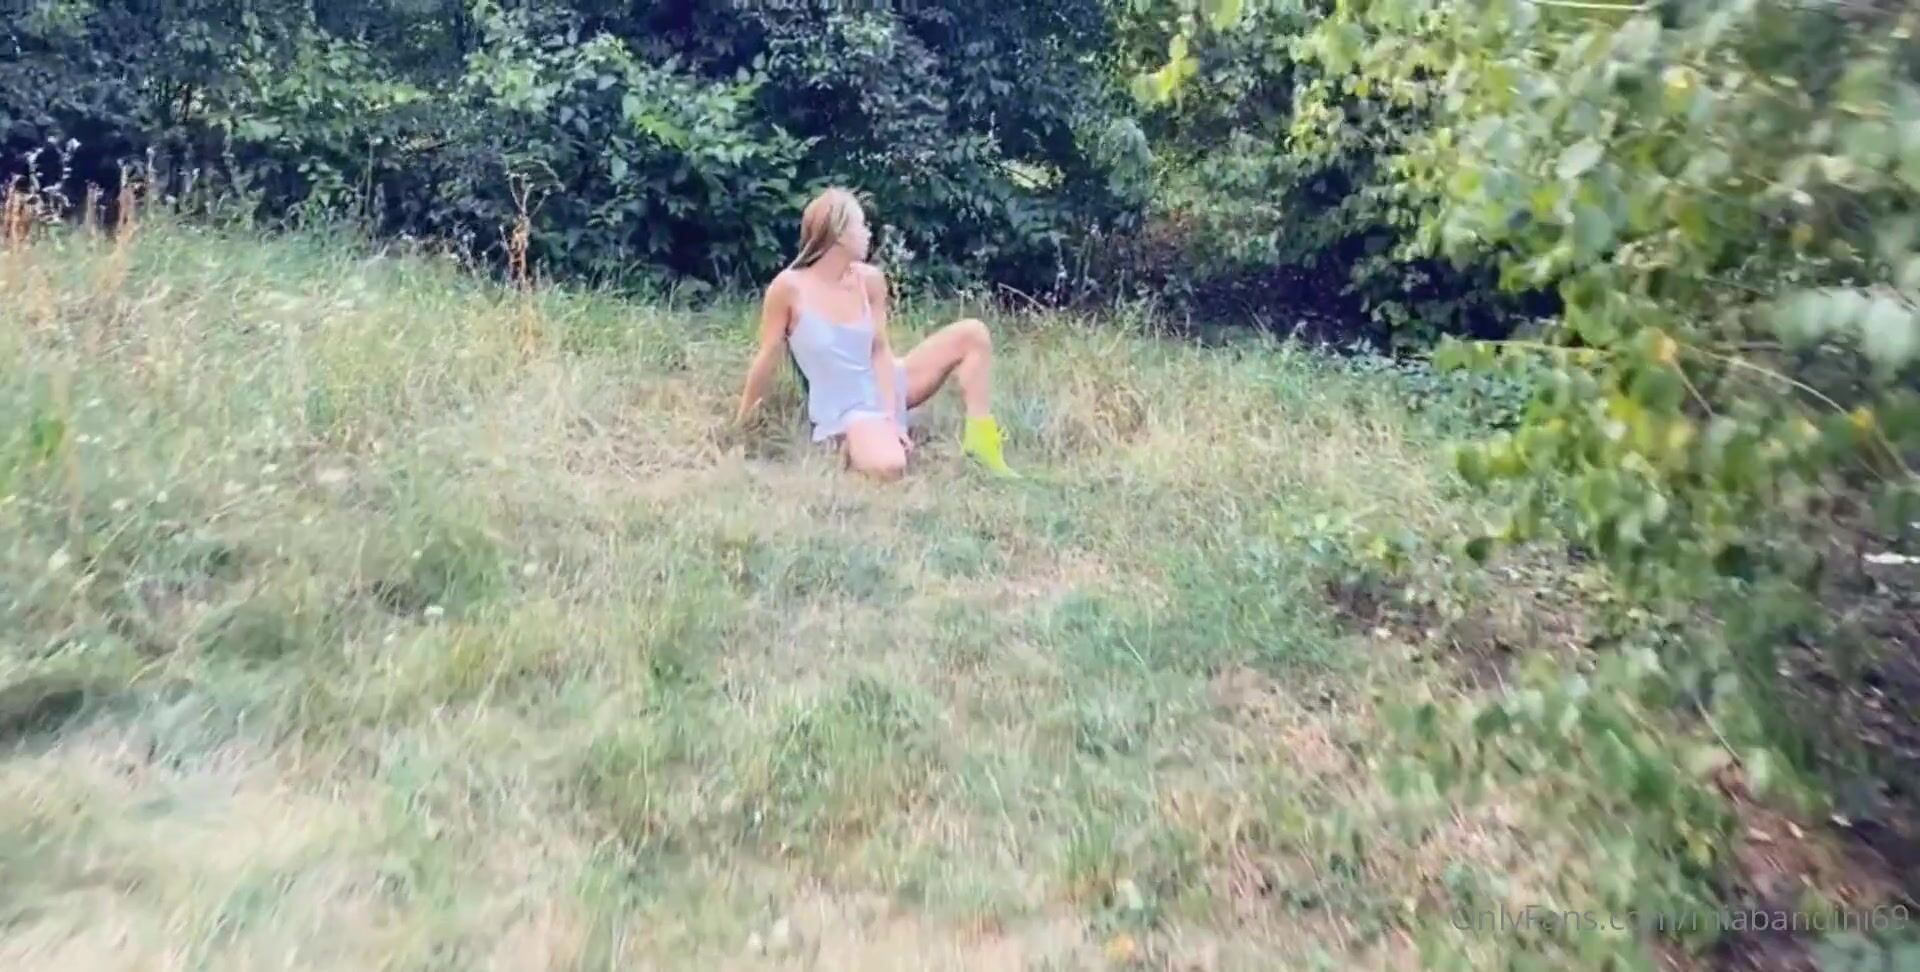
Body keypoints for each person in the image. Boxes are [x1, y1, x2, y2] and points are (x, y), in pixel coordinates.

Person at [732, 186, 1018, 480]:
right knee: (889, 466)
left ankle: (981, 443)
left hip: (888, 384)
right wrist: (743, 423)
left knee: (973, 333)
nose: (869, 233)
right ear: (838, 233)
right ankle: (849, 444)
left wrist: (891, 416)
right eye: (861, 225)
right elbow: (768, 357)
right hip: (847, 407)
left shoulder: (869, 280)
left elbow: (880, 351)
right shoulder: (788, 287)